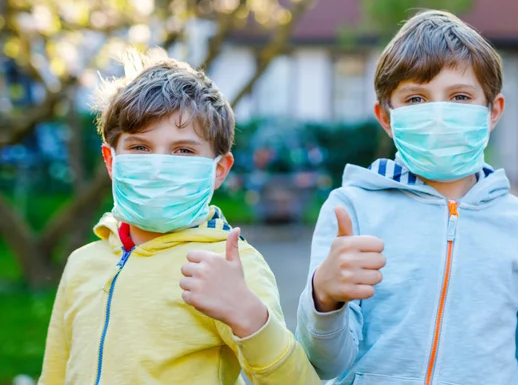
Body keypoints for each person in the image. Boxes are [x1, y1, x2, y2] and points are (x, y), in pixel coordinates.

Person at [296, 10, 518, 385]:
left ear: (493, 112)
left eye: (459, 96)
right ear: (386, 118)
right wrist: (324, 299)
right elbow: (324, 364)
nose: (440, 114)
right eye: (416, 99)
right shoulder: (351, 211)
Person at [39, 49, 320, 385]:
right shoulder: (81, 264)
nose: (158, 167)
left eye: (183, 151)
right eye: (140, 147)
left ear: (219, 170)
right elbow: (53, 375)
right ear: (111, 160)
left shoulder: (230, 267)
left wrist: (250, 317)